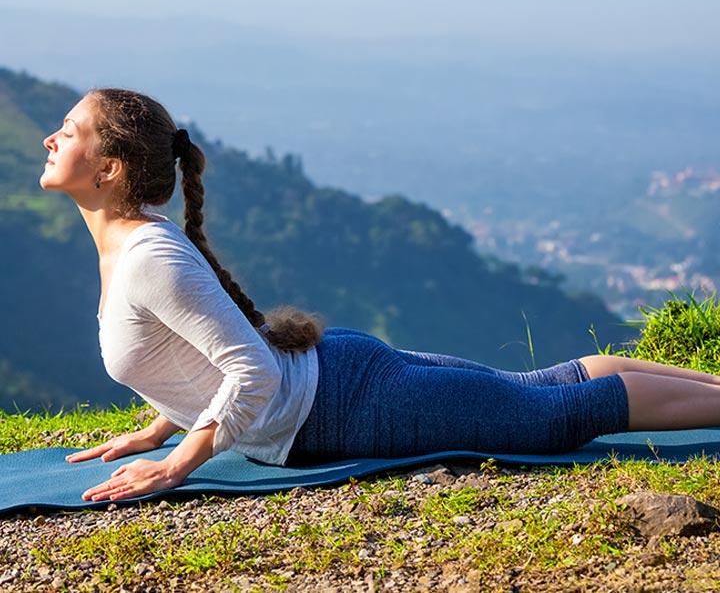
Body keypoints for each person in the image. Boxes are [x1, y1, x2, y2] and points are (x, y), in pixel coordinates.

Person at [39, 88, 720, 504]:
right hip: (343, 381)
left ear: (109, 167)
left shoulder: (148, 255)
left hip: (345, 407)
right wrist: (166, 419)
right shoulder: (135, 246)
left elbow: (252, 369)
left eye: (68, 132)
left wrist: (177, 465)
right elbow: (193, 347)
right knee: (544, 388)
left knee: (558, 418)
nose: (50, 137)